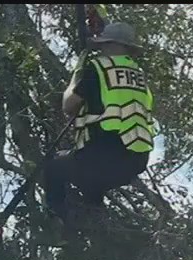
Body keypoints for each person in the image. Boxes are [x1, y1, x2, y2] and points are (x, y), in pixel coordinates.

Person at [43, 21, 155, 224]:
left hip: (103, 158)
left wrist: (75, 79)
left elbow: (69, 106)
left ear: (109, 45)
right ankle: (96, 214)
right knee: (92, 180)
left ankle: (57, 217)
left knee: (53, 166)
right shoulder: (139, 76)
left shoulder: (97, 69)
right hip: (136, 161)